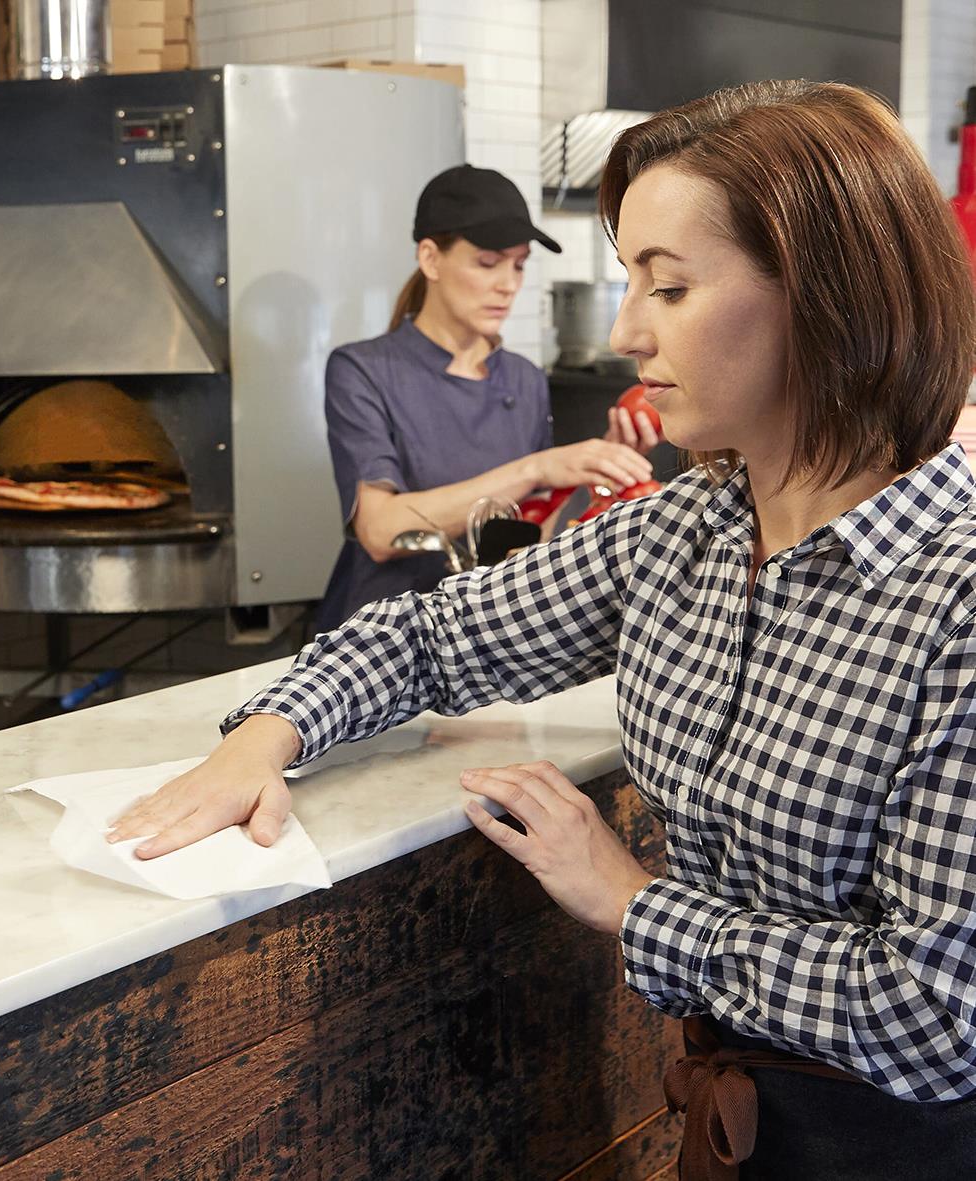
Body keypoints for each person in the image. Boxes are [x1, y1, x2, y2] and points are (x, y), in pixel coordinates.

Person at [109, 79, 976, 1178]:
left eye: (667, 285)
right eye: (628, 282)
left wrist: (630, 900)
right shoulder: (683, 532)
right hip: (732, 1118)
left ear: (828, 296)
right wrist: (264, 731)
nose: (623, 330)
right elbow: (426, 635)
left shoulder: (954, 594)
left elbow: (935, 1013)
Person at [316, 163, 657, 628]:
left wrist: (595, 474)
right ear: (431, 258)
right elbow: (380, 530)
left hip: (483, 634)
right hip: (380, 632)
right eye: (487, 263)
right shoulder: (362, 370)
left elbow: (530, 537)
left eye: (518, 265)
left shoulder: (523, 379)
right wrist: (537, 467)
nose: (509, 284)